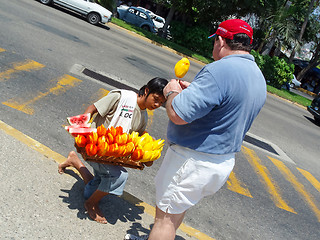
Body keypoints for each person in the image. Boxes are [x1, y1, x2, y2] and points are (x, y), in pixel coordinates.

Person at [124, 19, 266, 240]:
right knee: (177, 209)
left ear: (221, 40)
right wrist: (194, 92)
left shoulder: (218, 70)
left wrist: (171, 91)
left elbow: (178, 114)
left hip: (192, 160)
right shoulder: (257, 76)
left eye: (214, 41)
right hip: (221, 161)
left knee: (164, 220)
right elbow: (226, 105)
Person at [58, 77, 168, 224]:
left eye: (161, 103)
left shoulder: (144, 116)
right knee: (119, 177)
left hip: (111, 157)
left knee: (91, 190)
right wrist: (81, 130)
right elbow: (92, 108)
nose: (157, 104)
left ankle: (74, 161)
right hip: (95, 150)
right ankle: (90, 204)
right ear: (146, 91)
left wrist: (149, 152)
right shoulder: (121, 97)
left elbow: (138, 139)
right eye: (156, 99)